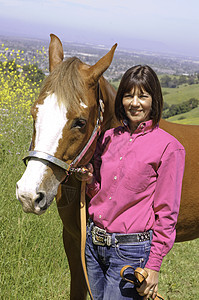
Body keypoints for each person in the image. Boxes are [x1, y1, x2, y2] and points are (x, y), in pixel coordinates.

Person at [78, 65, 185, 300]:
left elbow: (167, 213)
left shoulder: (169, 147)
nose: (134, 103)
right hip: (94, 247)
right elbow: (99, 192)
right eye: (128, 95)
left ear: (154, 99)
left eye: (143, 96)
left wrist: (154, 265)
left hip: (130, 252)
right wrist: (89, 181)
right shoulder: (107, 138)